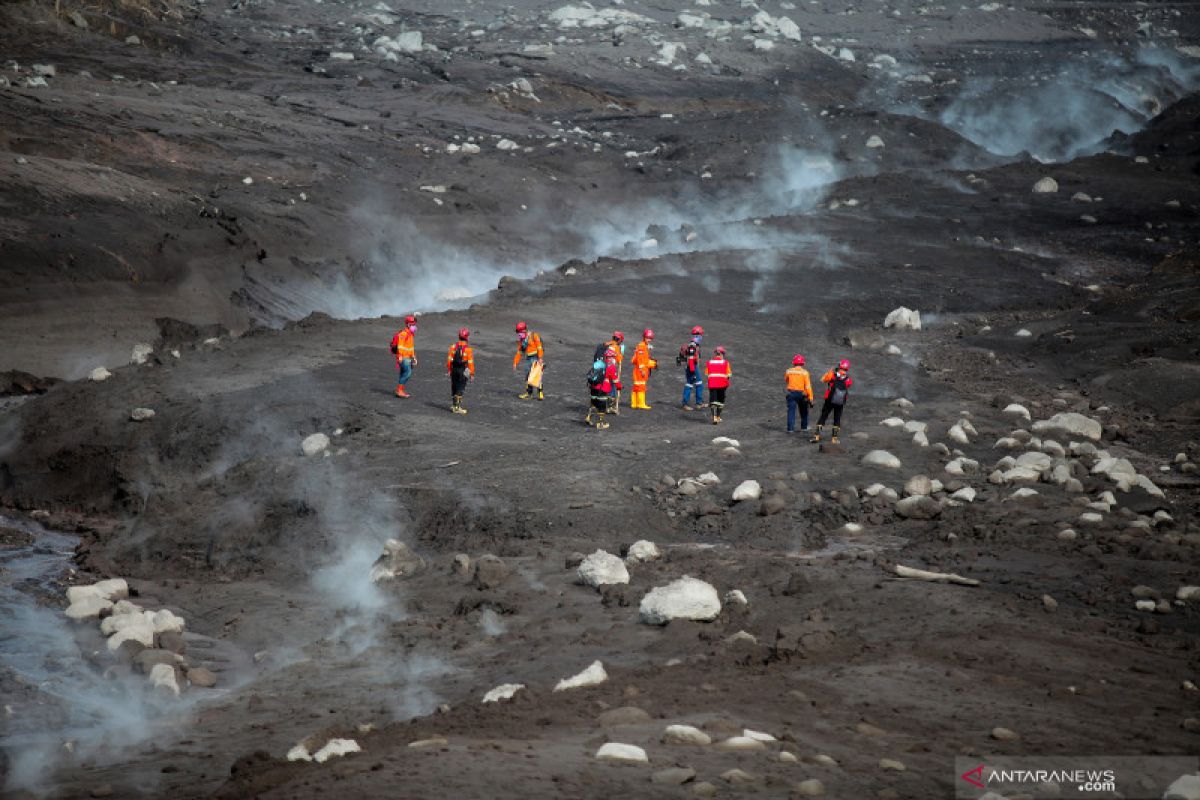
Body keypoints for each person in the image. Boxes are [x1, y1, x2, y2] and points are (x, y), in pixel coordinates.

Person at [812, 359, 852, 443]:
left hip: (829, 399)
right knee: (837, 418)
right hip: (840, 401)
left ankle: (816, 436)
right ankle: (834, 439)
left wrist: (830, 371)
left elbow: (822, 379)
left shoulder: (832, 375)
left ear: (839, 366)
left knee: (823, 416)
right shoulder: (848, 379)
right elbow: (848, 385)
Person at [586, 347, 620, 429]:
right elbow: (615, 380)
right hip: (602, 389)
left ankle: (589, 418)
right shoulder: (611, 366)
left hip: (593, 387)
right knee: (601, 407)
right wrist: (619, 387)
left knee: (594, 403)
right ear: (611, 357)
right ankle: (600, 423)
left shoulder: (598, 363)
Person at [512, 321, 545, 400]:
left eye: (520, 332)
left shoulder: (534, 336)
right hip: (528, 359)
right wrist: (515, 362)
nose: (519, 334)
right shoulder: (522, 341)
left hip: (536, 358)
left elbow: (539, 347)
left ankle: (540, 393)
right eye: (518, 333)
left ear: (524, 331)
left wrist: (540, 358)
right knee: (528, 376)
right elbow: (519, 352)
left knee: (537, 375)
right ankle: (529, 393)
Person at [446, 328, 475, 415]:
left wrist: (449, 369)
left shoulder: (453, 347)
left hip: (454, 369)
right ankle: (456, 408)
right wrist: (472, 373)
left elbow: (449, 360)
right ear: (467, 337)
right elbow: (470, 363)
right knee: (460, 388)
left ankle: (454, 405)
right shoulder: (468, 349)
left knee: (454, 387)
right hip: (463, 370)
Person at [677, 326, 706, 410]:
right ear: (697, 335)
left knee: (689, 384)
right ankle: (698, 403)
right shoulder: (693, 346)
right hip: (692, 367)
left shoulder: (694, 345)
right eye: (700, 335)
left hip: (691, 367)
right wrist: (693, 371)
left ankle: (686, 403)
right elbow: (691, 360)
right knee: (698, 384)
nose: (701, 337)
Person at [389, 314, 418, 398]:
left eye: (414, 324)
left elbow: (411, 347)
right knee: (407, 373)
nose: (414, 326)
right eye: (412, 324)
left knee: (403, 374)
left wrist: (414, 357)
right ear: (408, 324)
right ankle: (399, 390)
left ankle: (400, 390)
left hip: (408, 357)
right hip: (404, 358)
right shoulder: (403, 334)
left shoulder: (410, 334)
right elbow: (400, 346)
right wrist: (400, 356)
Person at [785, 354, 814, 433]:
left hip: (791, 393)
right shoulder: (805, 373)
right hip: (802, 394)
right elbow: (808, 386)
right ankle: (804, 427)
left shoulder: (789, 371)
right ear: (802, 363)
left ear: (793, 363)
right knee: (804, 410)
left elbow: (786, 380)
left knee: (791, 411)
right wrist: (811, 397)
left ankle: (790, 429)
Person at [629, 328, 658, 410]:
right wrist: (642, 370)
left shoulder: (642, 345)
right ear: (644, 337)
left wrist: (648, 347)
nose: (649, 340)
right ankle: (641, 404)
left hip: (638, 369)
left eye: (650, 338)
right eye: (647, 338)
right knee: (641, 386)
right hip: (640, 370)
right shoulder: (642, 346)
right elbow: (640, 359)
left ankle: (634, 404)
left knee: (636, 386)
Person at [704, 346, 731, 424]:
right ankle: (718, 417)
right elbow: (728, 375)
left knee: (713, 402)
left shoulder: (709, 362)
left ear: (715, 354)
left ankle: (714, 417)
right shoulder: (726, 363)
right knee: (720, 401)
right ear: (722, 354)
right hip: (722, 385)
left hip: (712, 385)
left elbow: (707, 374)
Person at [603, 330, 626, 413]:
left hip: (604, 368)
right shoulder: (616, 347)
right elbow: (619, 360)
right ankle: (610, 407)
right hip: (611, 369)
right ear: (619, 340)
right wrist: (621, 353)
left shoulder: (608, 344)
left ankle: (604, 405)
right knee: (612, 387)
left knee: (605, 386)